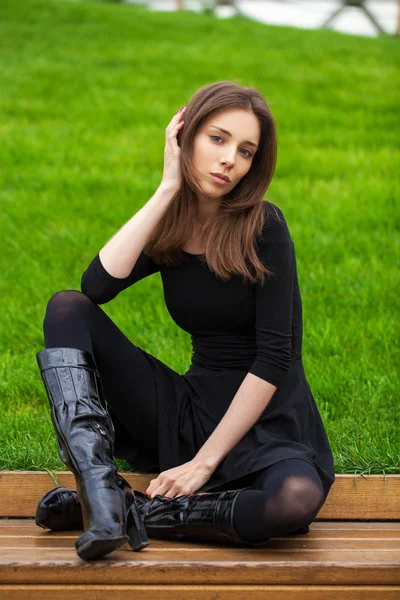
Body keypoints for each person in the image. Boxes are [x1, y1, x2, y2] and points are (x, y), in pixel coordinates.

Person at [35, 81, 335, 560]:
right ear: (185, 136)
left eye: (245, 151)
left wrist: (203, 463)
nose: (229, 160)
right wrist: (167, 187)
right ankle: (96, 487)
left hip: (265, 420)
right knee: (66, 307)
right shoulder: (173, 224)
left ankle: (134, 510)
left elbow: (277, 357)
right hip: (190, 411)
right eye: (217, 138)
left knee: (293, 499)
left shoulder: (265, 227)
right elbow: (95, 288)